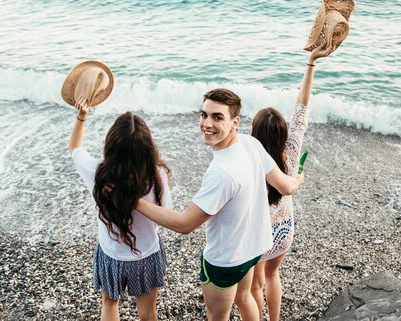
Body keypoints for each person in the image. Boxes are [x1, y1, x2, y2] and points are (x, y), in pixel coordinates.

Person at [136, 88, 304, 321]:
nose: (207, 123)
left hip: (225, 260)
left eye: (217, 117)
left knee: (217, 315)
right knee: (244, 298)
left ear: (235, 122)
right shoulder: (251, 144)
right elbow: (285, 187)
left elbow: (185, 224)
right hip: (254, 248)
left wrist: (135, 203)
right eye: (204, 114)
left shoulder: (221, 173)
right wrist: (297, 180)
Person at [249, 41, 333, 321]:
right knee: (274, 276)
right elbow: (302, 109)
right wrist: (311, 63)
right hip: (285, 229)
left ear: (255, 134)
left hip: (260, 233)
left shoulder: (252, 159)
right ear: (283, 132)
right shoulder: (292, 150)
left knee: (256, 283)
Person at [68, 95, 172, 321]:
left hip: (111, 254)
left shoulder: (99, 173)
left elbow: (75, 147)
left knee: (109, 302)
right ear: (147, 148)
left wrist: (82, 116)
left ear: (111, 145)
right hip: (146, 254)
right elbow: (167, 214)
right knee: (148, 313)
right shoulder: (156, 175)